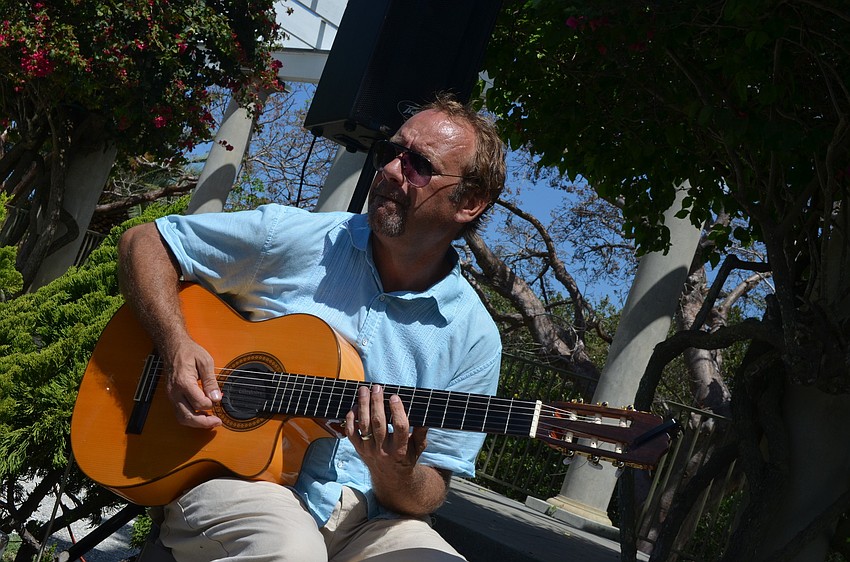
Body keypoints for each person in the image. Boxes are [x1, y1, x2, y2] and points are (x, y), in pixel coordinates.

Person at [117, 93, 507, 562]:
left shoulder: (475, 339)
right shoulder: (294, 237)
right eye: (393, 152)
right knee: (290, 551)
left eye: (419, 164)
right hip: (242, 484)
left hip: (368, 519)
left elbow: (427, 494)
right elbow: (146, 241)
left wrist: (396, 472)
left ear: (470, 202)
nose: (389, 169)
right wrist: (175, 344)